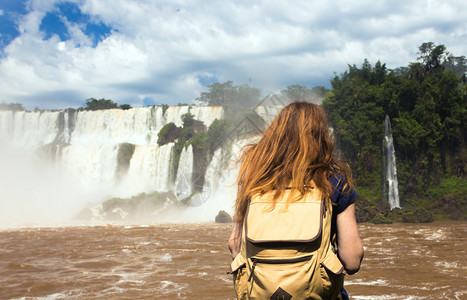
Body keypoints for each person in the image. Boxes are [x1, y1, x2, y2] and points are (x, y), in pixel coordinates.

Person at [228, 101, 364, 299]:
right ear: (320, 137)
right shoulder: (335, 183)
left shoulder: (254, 182)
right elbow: (352, 261)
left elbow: (234, 245)